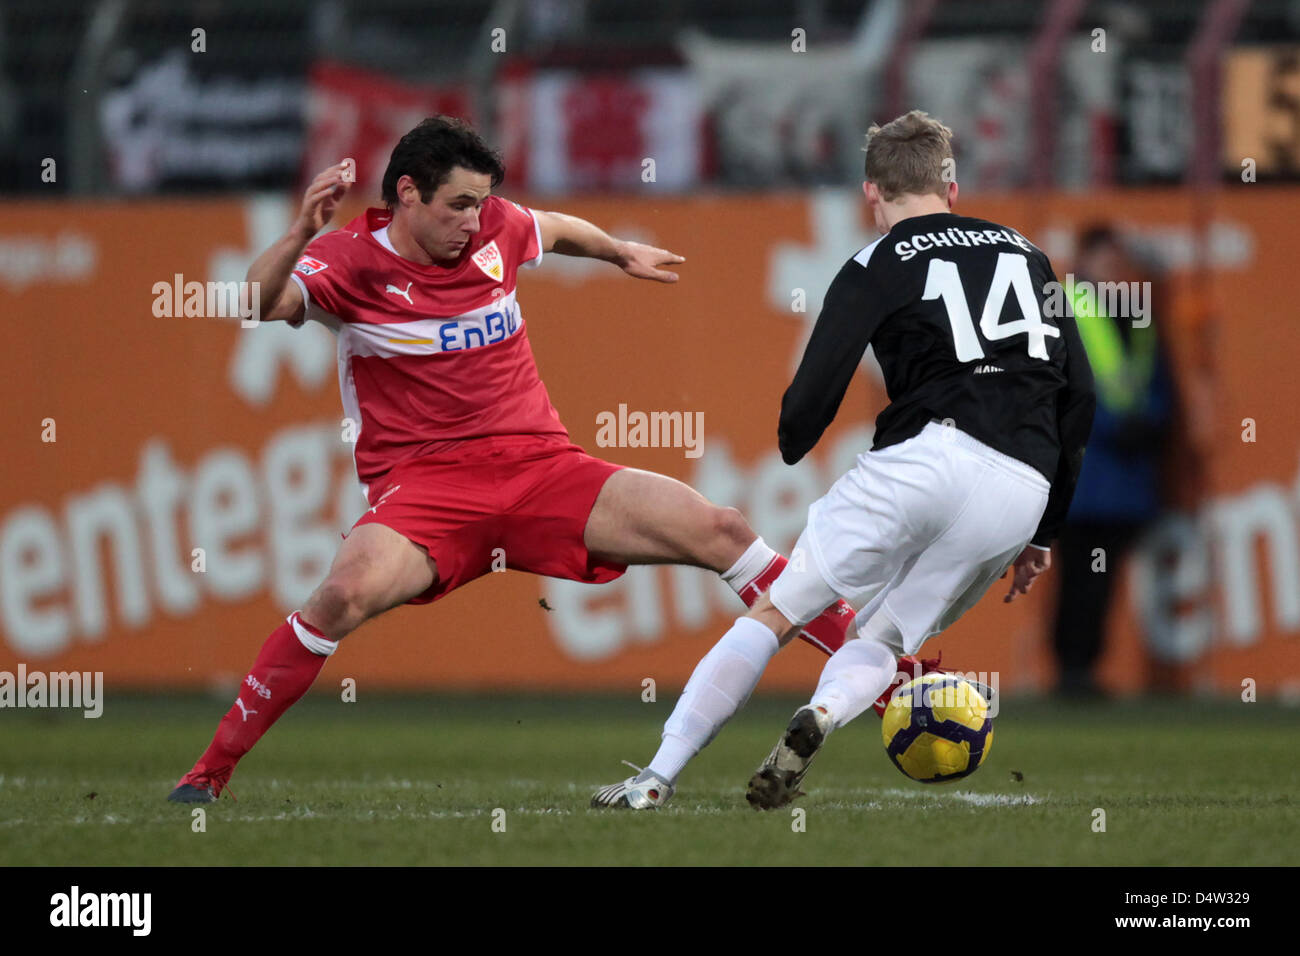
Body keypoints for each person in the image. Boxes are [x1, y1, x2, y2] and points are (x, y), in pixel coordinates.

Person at [166, 116, 857, 804]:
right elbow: (254, 304)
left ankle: (895, 681)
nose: (474, 219)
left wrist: (617, 251)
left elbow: (553, 227)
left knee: (724, 530)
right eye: (459, 204)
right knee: (340, 597)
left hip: (542, 469)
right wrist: (298, 234)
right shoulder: (348, 262)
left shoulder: (496, 227)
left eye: (481, 202)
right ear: (408, 193)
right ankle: (208, 773)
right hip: (427, 491)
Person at [592, 110, 1095, 811]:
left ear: (872, 193)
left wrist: (794, 442)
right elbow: (1082, 399)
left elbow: (814, 390)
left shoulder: (876, 262)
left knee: (776, 615)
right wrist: (1045, 533)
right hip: (1020, 485)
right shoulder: (1029, 253)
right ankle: (824, 715)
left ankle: (656, 776)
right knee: (885, 641)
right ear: (952, 185)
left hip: (927, 455)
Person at [1049, 225, 1180, 697]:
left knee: (1101, 580)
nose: (1112, 270)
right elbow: (1059, 391)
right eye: (1104, 260)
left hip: (1122, 477)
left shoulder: (1136, 315)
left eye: (1117, 262)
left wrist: (1152, 421)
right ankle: (1070, 667)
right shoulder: (1062, 306)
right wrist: (1111, 426)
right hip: (1084, 473)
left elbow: (1157, 380)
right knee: (1078, 577)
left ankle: (1083, 667)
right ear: (1083, 259)